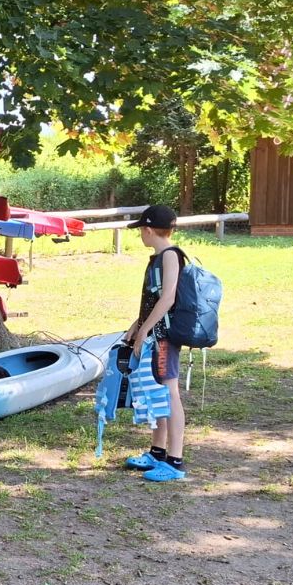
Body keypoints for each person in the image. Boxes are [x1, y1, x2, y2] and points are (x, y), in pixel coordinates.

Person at [122, 204, 187, 482]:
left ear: (149, 230)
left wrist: (145, 331)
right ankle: (157, 452)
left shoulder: (170, 256)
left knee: (169, 392)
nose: (141, 236)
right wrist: (136, 326)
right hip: (153, 334)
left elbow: (168, 298)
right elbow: (152, 298)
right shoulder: (157, 257)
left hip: (163, 338)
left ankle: (174, 461)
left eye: (141, 231)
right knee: (159, 392)